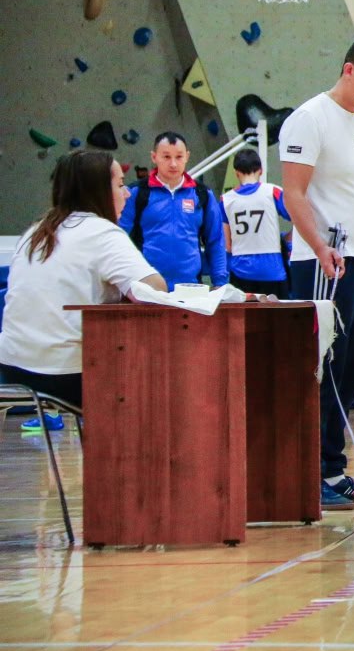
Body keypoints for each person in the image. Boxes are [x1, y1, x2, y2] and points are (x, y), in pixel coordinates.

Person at [281, 36, 354, 511]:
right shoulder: (309, 119)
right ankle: (306, 472)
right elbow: (293, 193)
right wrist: (319, 246)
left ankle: (331, 468)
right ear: (350, 70)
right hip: (320, 263)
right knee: (320, 369)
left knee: (349, 369)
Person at [0, 151, 166, 431]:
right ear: (99, 189)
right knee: (165, 381)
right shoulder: (102, 233)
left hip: (13, 369)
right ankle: (132, 471)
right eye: (120, 184)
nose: (126, 194)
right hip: (68, 374)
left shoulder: (34, 232)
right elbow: (155, 289)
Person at [118, 131, 228, 290]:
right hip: (146, 289)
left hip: (191, 288)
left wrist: (220, 283)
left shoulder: (202, 194)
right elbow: (120, 238)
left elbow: (216, 240)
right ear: (154, 157)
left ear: (187, 156)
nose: (173, 164)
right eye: (166, 157)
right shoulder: (136, 193)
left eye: (179, 157)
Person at [221, 148, 291, 299]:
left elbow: (226, 244)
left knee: (245, 320)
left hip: (240, 271)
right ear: (261, 170)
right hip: (272, 270)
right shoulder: (273, 192)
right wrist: (286, 241)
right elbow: (298, 217)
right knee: (277, 319)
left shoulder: (225, 200)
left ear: (236, 173)